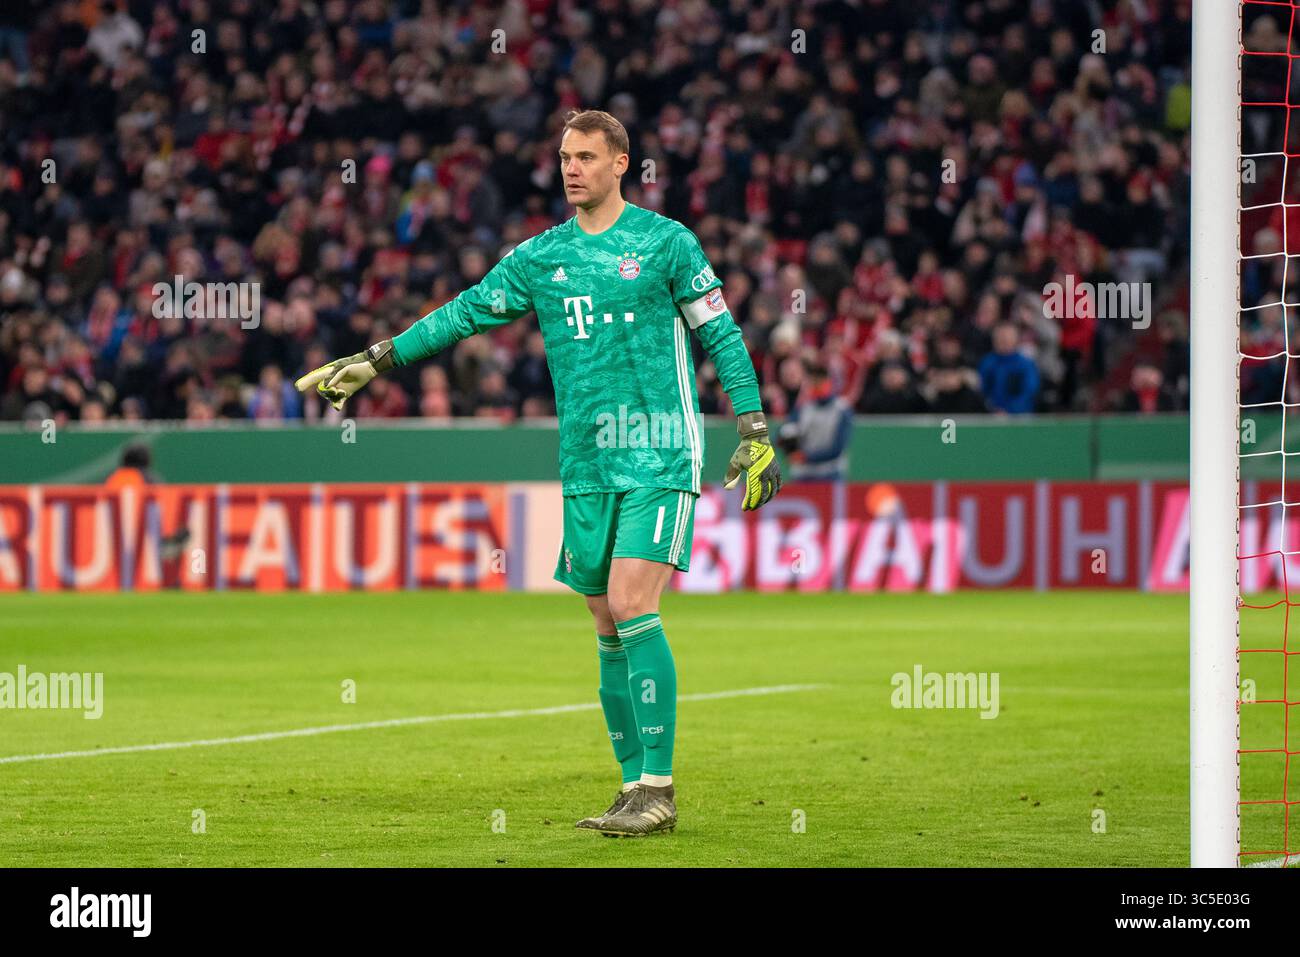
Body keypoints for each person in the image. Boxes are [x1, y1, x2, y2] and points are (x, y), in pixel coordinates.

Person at [295, 110, 782, 837]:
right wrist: (376, 359)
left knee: (629, 599)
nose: (571, 167)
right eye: (564, 157)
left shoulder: (665, 243)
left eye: (586, 156)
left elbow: (720, 330)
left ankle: (660, 787)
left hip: (659, 448)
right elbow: (461, 314)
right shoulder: (539, 258)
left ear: (622, 163)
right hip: (586, 460)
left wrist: (752, 425)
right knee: (602, 616)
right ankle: (630, 786)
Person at [781, 364, 852, 480]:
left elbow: (838, 448)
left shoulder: (841, 409)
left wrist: (806, 457)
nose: (816, 384)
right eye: (813, 381)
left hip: (830, 473)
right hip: (804, 474)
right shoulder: (803, 407)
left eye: (820, 380)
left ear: (829, 382)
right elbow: (783, 431)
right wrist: (788, 448)